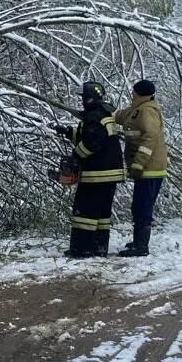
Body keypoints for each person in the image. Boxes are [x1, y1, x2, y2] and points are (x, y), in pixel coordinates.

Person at [53, 81, 125, 258]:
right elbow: (93, 135)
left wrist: (75, 156)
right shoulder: (103, 114)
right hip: (109, 175)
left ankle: (81, 249)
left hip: (97, 175)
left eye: (83, 97)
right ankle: (99, 248)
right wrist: (69, 132)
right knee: (101, 215)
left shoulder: (93, 115)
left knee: (84, 212)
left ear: (89, 98)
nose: (82, 101)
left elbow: (92, 143)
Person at [113, 79, 167, 257]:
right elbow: (122, 117)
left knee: (143, 208)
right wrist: (106, 112)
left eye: (134, 91)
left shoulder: (147, 111)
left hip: (149, 169)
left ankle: (141, 246)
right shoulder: (137, 109)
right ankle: (138, 241)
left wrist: (138, 163)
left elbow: (149, 137)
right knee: (138, 207)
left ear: (139, 93)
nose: (131, 93)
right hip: (146, 169)